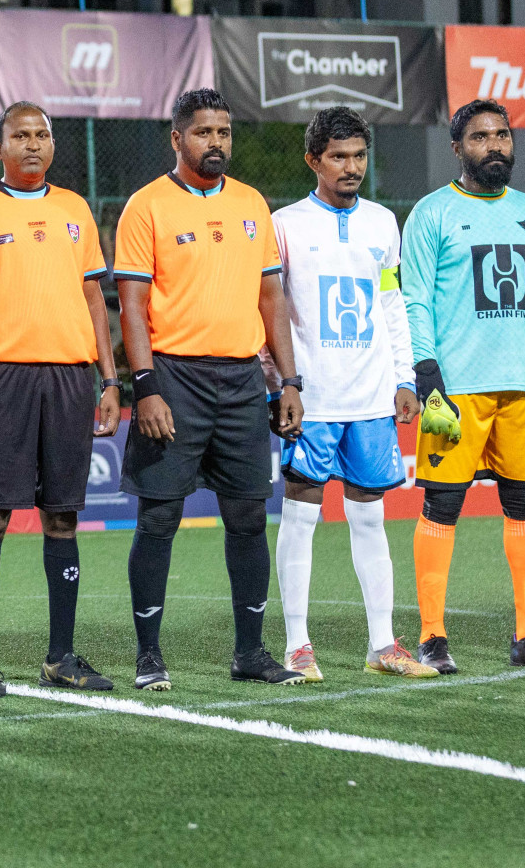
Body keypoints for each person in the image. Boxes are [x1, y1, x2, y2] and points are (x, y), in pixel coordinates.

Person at [113, 88, 306, 691]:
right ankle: (149, 654)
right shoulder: (146, 207)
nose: (215, 142)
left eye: (223, 132)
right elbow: (133, 304)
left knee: (248, 515)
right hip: (173, 378)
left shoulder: (252, 203)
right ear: (177, 139)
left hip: (244, 380)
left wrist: (288, 380)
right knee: (160, 517)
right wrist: (143, 387)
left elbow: (272, 299)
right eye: (203, 133)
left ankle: (250, 652)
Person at [0, 101, 123, 696]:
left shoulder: (75, 209)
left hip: (71, 379)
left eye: (42, 135)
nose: (32, 144)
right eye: (20, 135)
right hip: (1, 379)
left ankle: (61, 656)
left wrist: (110, 378)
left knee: (63, 516)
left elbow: (96, 300)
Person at [403, 99, 525, 673]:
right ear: (457, 147)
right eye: (480, 137)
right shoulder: (431, 214)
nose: (495, 145)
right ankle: (433, 637)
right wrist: (427, 375)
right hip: (456, 390)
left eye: (502, 135)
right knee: (443, 504)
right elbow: (415, 302)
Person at [265, 107, 435, 681]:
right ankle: (296, 645)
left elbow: (391, 303)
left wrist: (404, 378)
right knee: (300, 517)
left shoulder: (384, 223)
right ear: (314, 160)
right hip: (311, 397)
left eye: (359, 155)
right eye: (338, 156)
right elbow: (271, 308)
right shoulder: (284, 223)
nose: (351, 166)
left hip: (369, 398)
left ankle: (383, 645)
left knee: (370, 519)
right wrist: (278, 382)